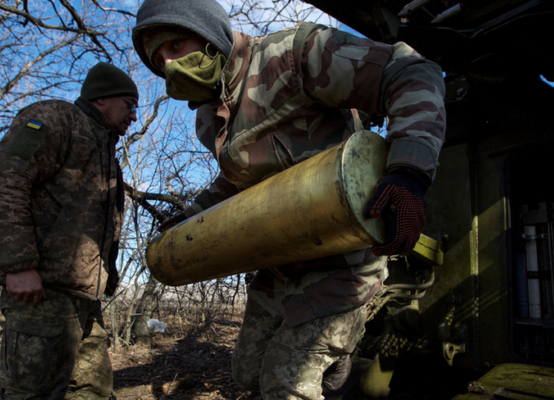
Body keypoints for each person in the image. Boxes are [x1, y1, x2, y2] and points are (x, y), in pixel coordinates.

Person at [132, 1, 446, 398]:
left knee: (285, 384)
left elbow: (411, 73)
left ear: (211, 34)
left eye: (176, 45)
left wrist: (409, 172)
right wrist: (189, 217)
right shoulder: (208, 118)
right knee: (247, 374)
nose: (169, 63)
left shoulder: (293, 53)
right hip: (278, 263)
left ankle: (336, 343)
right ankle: (337, 361)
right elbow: (238, 181)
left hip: (342, 258)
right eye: (159, 59)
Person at [0, 62, 138, 399]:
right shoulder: (54, 119)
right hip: (40, 294)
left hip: (83, 300)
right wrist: (20, 265)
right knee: (32, 392)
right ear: (101, 99)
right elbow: (2, 180)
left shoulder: (104, 149)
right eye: (129, 104)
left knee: (93, 390)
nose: (134, 116)